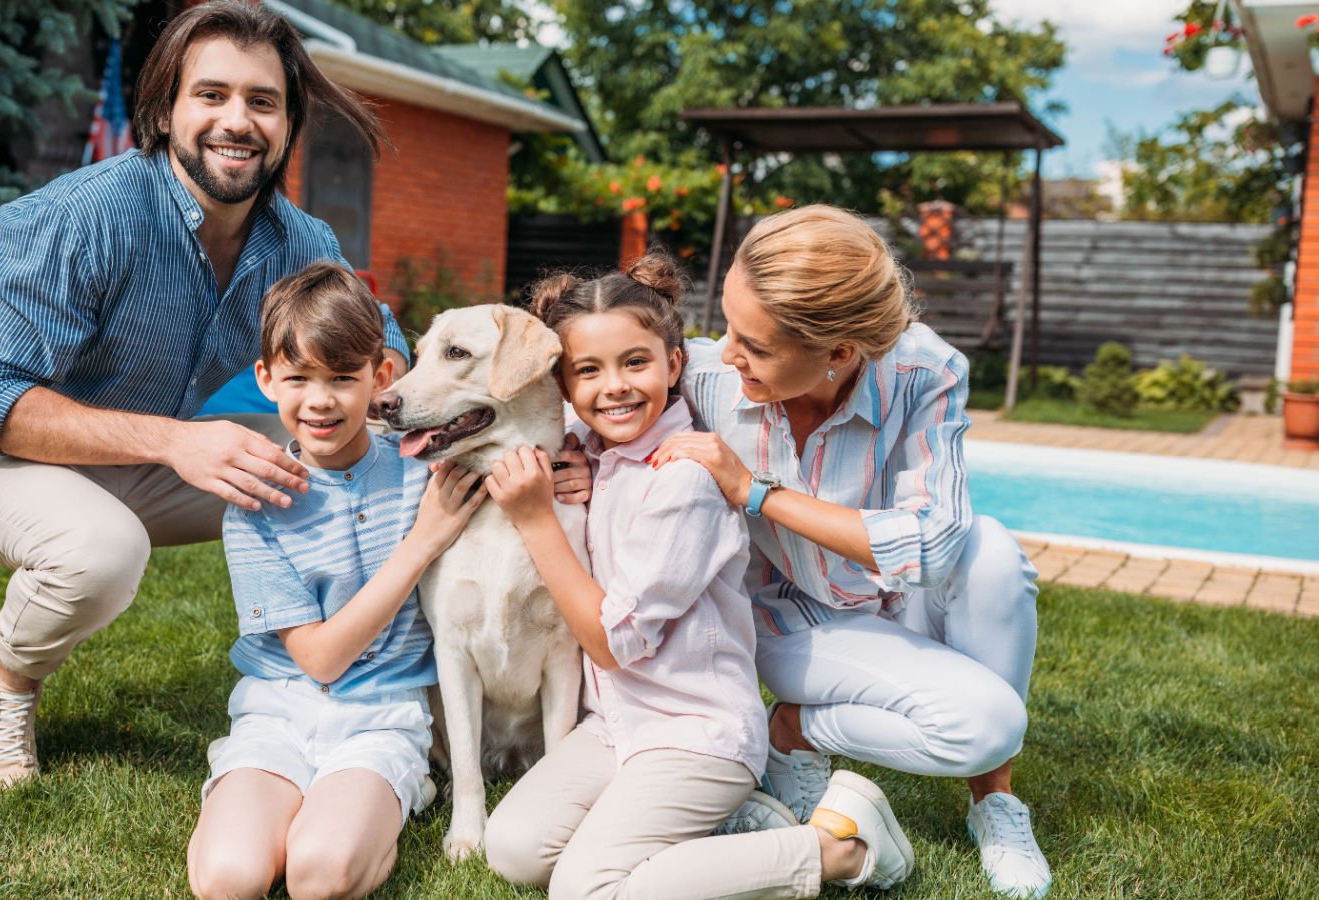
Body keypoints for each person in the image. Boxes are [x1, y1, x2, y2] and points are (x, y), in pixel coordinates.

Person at [0, 1, 409, 795]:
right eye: (212, 95)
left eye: (263, 101)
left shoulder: (301, 244)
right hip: (1, 462)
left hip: (156, 461)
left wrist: (497, 429)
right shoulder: (81, 217)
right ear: (163, 111)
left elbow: (386, 353)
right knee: (103, 551)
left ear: (287, 126)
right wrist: (175, 441)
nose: (238, 121)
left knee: (350, 463)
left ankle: (347, 694)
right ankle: (6, 679)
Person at [480, 254, 916, 899]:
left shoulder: (683, 480)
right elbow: (567, 429)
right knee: (514, 849)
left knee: (585, 889)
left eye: (636, 362)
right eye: (587, 371)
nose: (614, 387)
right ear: (565, 387)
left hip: (697, 732)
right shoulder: (597, 452)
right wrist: (572, 458)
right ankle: (727, 827)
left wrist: (537, 520)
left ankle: (838, 849)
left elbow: (613, 642)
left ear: (675, 364)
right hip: (617, 723)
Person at [649, 205, 1050, 898]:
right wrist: (563, 456)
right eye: (729, 324)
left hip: (903, 598)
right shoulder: (710, 376)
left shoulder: (925, 370)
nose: (729, 351)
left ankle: (993, 800)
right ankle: (795, 726)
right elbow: (602, 403)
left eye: (757, 345)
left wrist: (756, 491)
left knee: (991, 551)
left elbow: (931, 546)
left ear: (839, 353)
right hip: (793, 621)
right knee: (989, 723)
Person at [185, 263, 483, 900]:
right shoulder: (257, 502)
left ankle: (387, 798)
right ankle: (284, 799)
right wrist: (423, 541)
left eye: (343, 378)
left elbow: (528, 443)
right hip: (279, 713)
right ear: (266, 379)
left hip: (382, 718)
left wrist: (573, 465)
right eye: (298, 378)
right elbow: (319, 659)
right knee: (228, 879)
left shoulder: (424, 470)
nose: (320, 400)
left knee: (319, 875)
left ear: (381, 378)